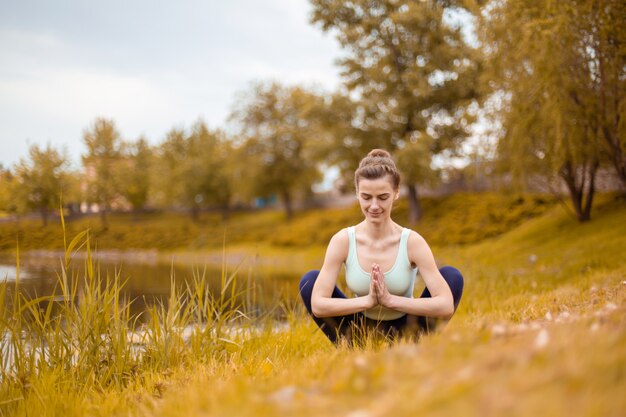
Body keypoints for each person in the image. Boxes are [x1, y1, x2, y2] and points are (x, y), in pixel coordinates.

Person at [299, 149, 464, 345]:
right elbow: (318, 304)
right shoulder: (343, 240)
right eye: (366, 197)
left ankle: (412, 349)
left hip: (407, 330)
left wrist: (390, 300)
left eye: (383, 197)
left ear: (396, 193)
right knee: (310, 280)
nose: (374, 206)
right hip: (359, 331)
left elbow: (445, 305)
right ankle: (355, 348)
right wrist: (367, 301)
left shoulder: (412, 241)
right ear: (357, 194)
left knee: (451, 276)